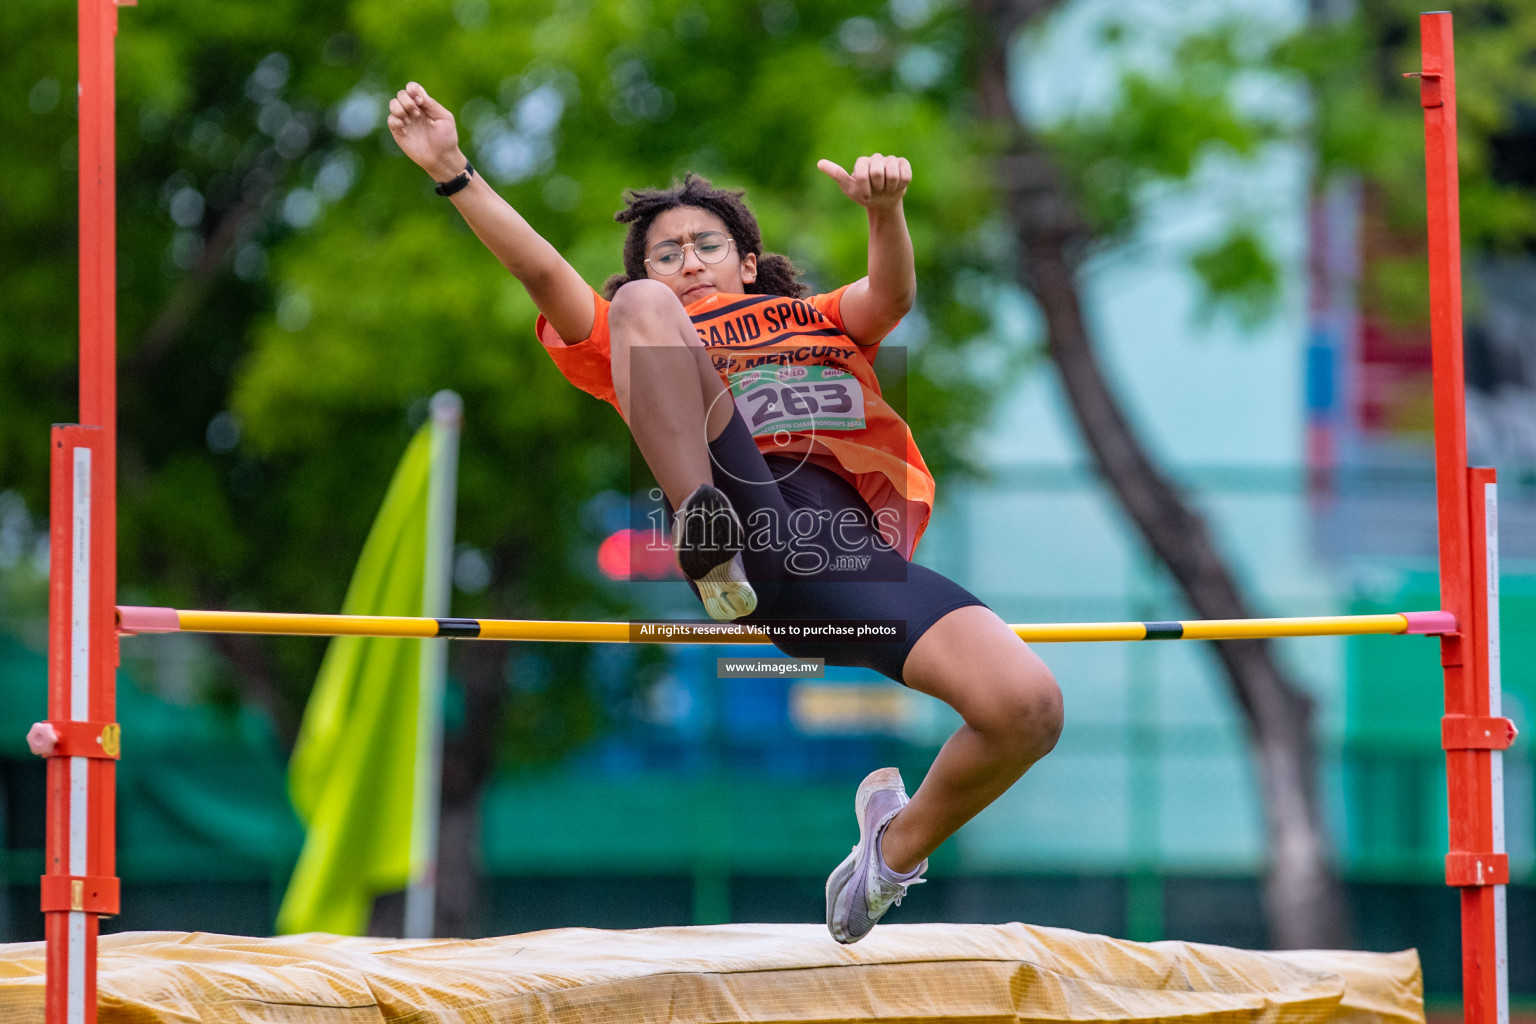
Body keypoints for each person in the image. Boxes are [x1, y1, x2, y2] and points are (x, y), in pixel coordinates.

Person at [387, 82, 1063, 943]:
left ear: (748, 261)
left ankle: (888, 854)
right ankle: (705, 532)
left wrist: (884, 211)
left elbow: (887, 299)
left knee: (1028, 707)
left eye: (708, 244)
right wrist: (453, 170)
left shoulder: (815, 317)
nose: (689, 260)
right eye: (666, 253)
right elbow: (540, 268)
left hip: (837, 556)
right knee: (643, 319)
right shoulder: (633, 325)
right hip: (736, 503)